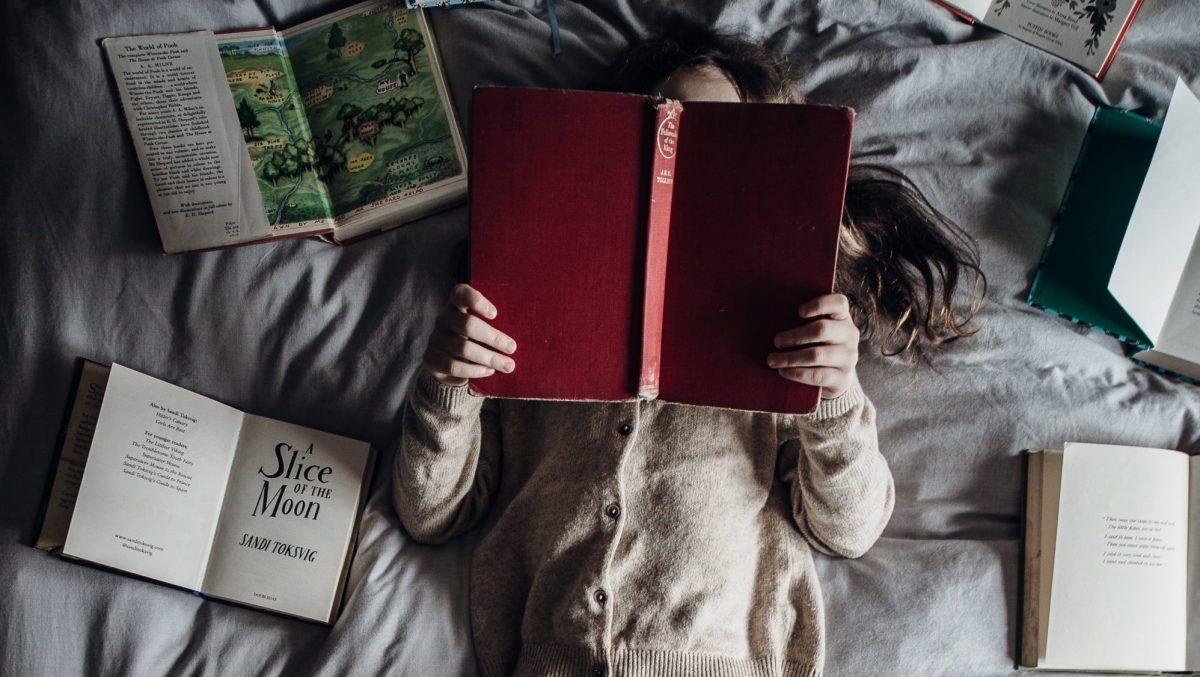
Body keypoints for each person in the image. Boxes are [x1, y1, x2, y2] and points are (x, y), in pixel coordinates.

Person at [393, 20, 986, 677]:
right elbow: (432, 514)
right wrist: (447, 384)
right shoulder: (528, 316)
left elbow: (848, 530)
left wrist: (834, 394)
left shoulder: (783, 333)